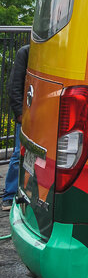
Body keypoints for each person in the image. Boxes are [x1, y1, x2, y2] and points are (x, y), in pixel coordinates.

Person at [3, 44, 29, 210]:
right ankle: (9, 195)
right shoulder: (25, 53)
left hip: (43, 115)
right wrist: (20, 113)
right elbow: (14, 86)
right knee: (18, 155)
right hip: (26, 115)